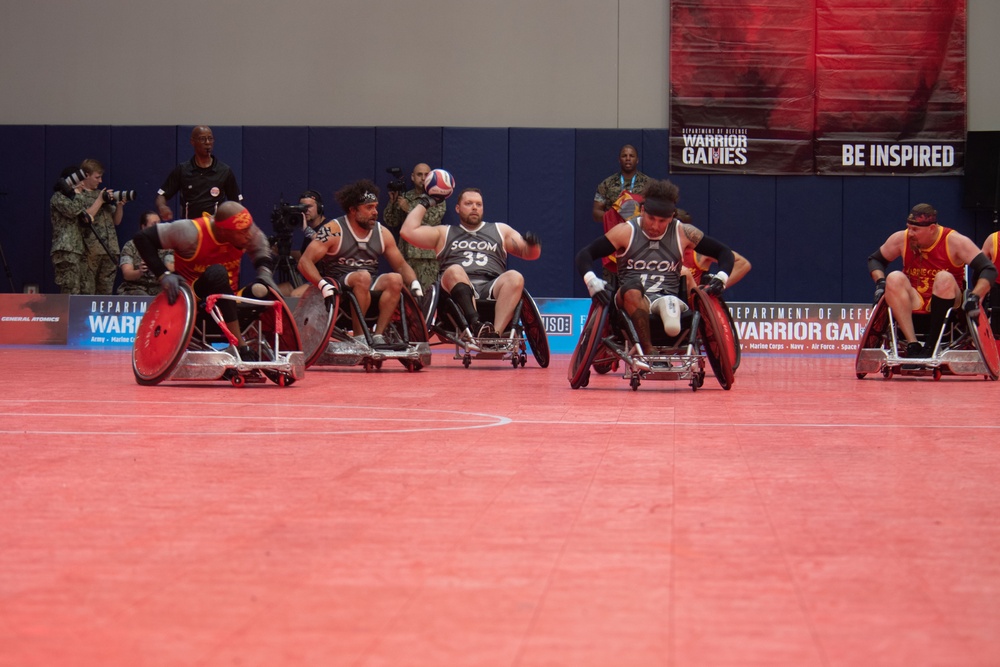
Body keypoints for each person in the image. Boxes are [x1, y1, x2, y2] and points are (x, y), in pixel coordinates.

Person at [575, 179, 735, 360]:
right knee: (634, 289)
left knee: (670, 306)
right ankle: (648, 349)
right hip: (628, 303)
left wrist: (722, 277)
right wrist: (591, 281)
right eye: (651, 218)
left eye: (662, 221)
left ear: (672, 217)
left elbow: (724, 253)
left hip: (667, 297)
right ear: (642, 210)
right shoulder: (625, 232)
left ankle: (669, 312)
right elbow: (585, 254)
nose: (655, 226)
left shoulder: (683, 232)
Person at [132, 201, 276, 359]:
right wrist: (163, 274)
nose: (249, 235)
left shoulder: (243, 232)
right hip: (195, 305)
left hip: (229, 305)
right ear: (223, 231)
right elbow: (141, 238)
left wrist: (265, 273)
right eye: (243, 232)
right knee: (217, 273)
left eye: (249, 229)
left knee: (262, 289)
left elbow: (260, 243)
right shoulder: (189, 232)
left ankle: (270, 346)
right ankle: (240, 346)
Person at [401, 185, 542, 339]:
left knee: (515, 276)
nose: (474, 207)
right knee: (454, 269)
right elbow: (407, 232)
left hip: (491, 286)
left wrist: (534, 245)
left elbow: (530, 254)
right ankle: (476, 324)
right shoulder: (443, 232)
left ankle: (494, 334)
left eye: (478, 204)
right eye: (468, 204)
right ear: (457, 208)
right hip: (457, 289)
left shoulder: (500, 230)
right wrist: (426, 202)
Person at [297, 179, 421, 347]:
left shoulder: (382, 233)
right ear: (353, 210)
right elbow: (304, 262)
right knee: (362, 277)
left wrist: (414, 284)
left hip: (367, 284)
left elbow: (401, 265)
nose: (375, 212)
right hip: (340, 287)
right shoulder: (333, 230)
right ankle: (359, 336)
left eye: (376, 207)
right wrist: (322, 284)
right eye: (369, 208)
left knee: (395, 279)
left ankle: (378, 336)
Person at [867, 203, 997, 358]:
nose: (910, 233)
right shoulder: (901, 238)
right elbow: (875, 260)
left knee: (943, 278)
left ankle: (930, 347)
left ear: (932, 229)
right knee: (894, 277)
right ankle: (913, 345)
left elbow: (989, 269)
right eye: (909, 228)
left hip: (950, 304)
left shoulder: (954, 241)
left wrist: (975, 296)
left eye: (915, 230)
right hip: (915, 302)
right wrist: (880, 283)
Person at [383, 163, 447, 292]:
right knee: (406, 297)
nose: (423, 178)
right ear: (412, 177)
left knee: (426, 295)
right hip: (405, 256)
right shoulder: (405, 197)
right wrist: (393, 202)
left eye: (426, 175)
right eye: (419, 174)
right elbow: (391, 221)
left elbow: (432, 221)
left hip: (427, 258)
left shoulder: (437, 198)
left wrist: (409, 209)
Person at [155, 125, 242, 221]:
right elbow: (162, 195)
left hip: (213, 228)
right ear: (192, 141)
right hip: (190, 229)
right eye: (202, 139)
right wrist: (162, 207)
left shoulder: (224, 171)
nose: (207, 143)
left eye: (210, 138)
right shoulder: (183, 170)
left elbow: (236, 202)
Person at [75, 159, 125, 294]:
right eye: (97, 177)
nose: (100, 181)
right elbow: (85, 218)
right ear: (86, 175)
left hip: (110, 249)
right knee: (88, 291)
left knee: (106, 293)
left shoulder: (102, 195)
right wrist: (100, 200)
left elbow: (117, 221)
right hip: (91, 250)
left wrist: (119, 205)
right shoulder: (78, 195)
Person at [49, 166, 89, 294]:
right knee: (70, 289)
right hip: (65, 250)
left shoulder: (75, 198)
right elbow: (72, 211)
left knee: (82, 290)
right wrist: (78, 194)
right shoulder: (58, 197)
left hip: (78, 249)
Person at [117, 211, 174, 296]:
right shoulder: (130, 246)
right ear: (143, 227)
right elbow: (127, 274)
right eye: (154, 224)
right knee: (140, 295)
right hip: (135, 288)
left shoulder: (166, 247)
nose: (157, 227)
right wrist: (139, 272)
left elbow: (171, 269)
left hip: (159, 288)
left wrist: (157, 266)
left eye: (159, 223)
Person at [592, 144, 650, 224]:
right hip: (615, 231)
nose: (628, 158)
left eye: (631, 156)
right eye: (624, 156)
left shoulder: (649, 184)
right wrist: (613, 217)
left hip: (640, 231)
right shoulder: (607, 184)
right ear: (619, 159)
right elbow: (596, 212)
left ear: (637, 160)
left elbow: (657, 210)